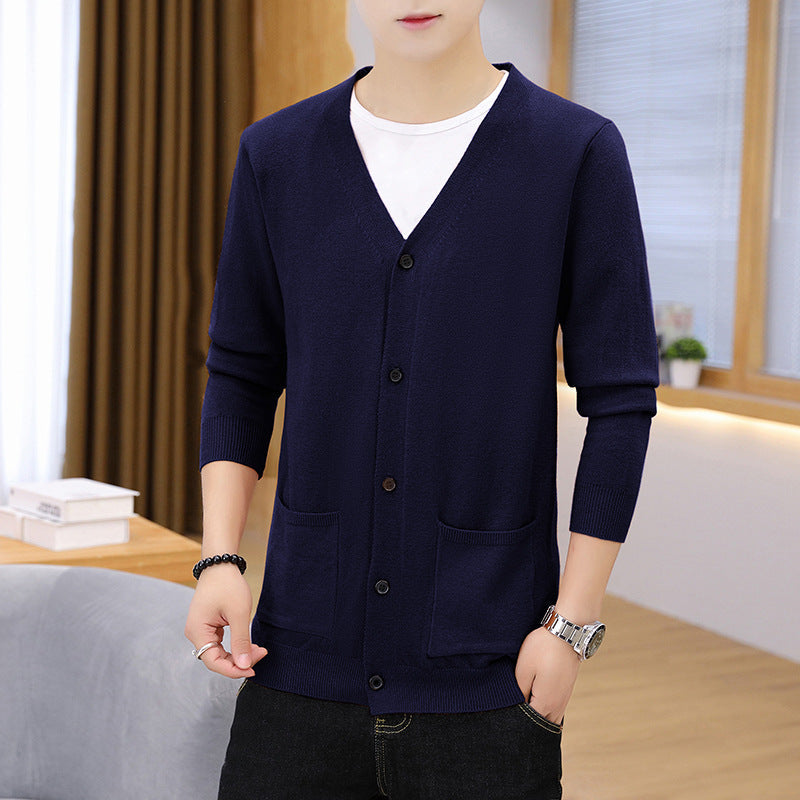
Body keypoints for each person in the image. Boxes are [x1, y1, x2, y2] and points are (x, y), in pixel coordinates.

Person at [184, 1, 660, 798]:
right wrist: (220, 556)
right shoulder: (277, 155)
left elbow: (621, 401)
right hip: (298, 661)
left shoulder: (573, 153)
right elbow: (241, 370)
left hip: (489, 671)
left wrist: (570, 627)